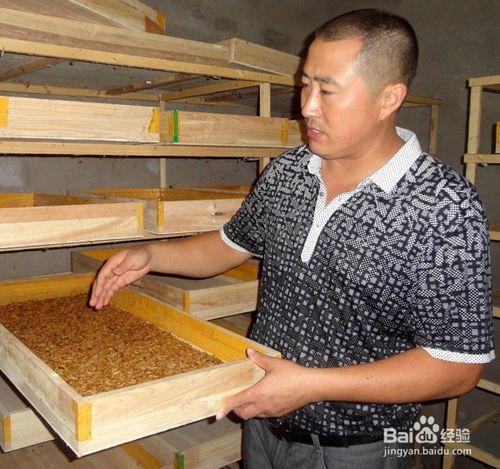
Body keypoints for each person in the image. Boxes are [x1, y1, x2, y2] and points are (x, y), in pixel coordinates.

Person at [90, 8, 494, 469]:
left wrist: (313, 384)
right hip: (261, 428)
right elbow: (227, 245)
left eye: (327, 90)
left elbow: (458, 364)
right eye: (305, 84)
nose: (306, 106)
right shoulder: (287, 173)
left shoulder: (443, 206)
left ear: (389, 99)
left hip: (356, 450)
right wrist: (150, 255)